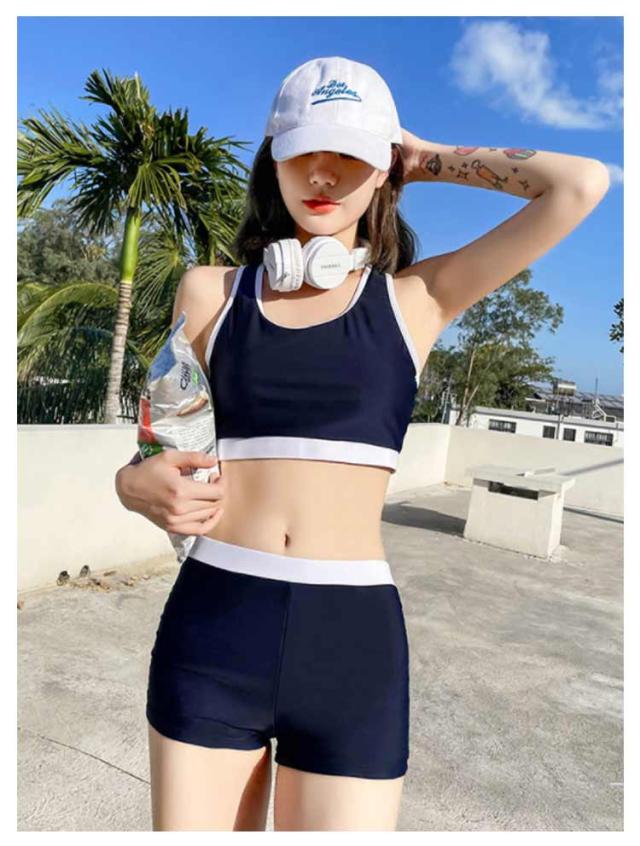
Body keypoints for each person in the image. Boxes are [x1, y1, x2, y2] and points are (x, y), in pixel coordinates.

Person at [114, 56, 610, 832]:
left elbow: (578, 185)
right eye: (304, 151)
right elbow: (159, 445)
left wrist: (426, 158)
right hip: (212, 629)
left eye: (350, 154)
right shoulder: (211, 293)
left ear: (383, 170)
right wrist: (132, 484)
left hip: (351, 649)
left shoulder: (417, 301)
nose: (323, 173)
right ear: (274, 160)